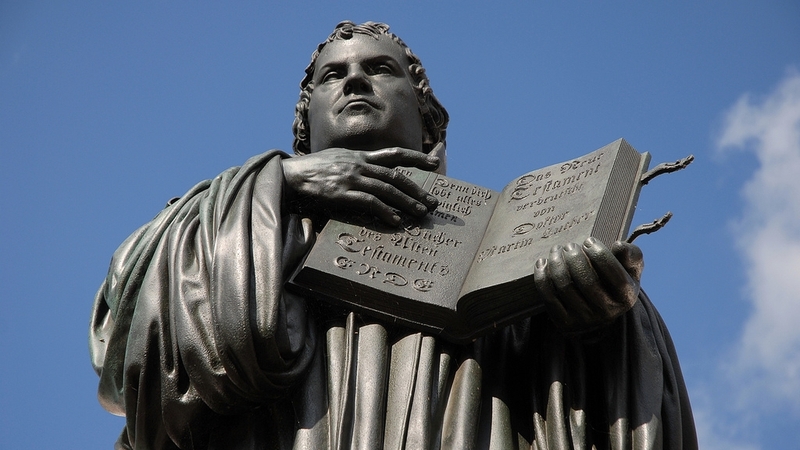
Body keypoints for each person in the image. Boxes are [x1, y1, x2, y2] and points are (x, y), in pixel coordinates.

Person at [90, 21, 697, 449]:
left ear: (428, 116)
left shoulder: (506, 237)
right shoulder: (238, 217)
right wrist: (281, 180)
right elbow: (129, 353)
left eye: (380, 68)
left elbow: (595, 407)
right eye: (333, 75)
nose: (355, 81)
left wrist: (601, 321)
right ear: (305, 126)